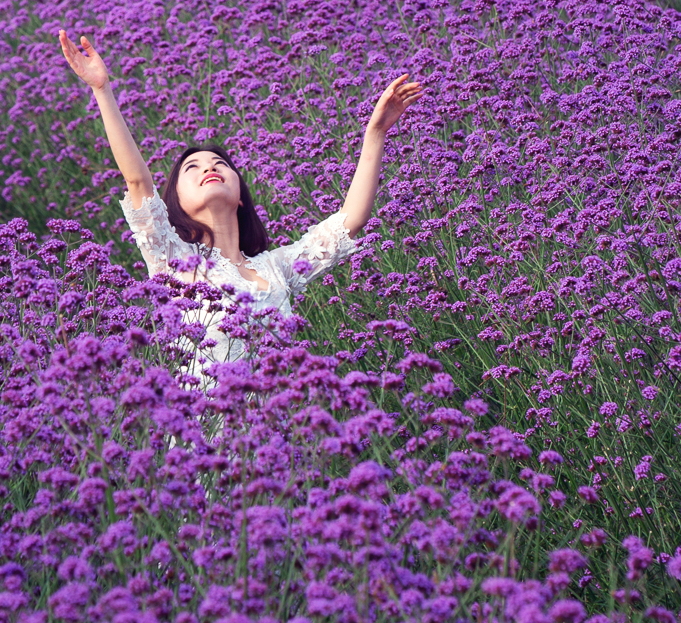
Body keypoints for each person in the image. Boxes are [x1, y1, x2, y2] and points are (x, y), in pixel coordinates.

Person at [58, 30, 423, 386]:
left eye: (220, 163)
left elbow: (350, 220)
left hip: (275, 438)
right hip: (205, 437)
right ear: (174, 202)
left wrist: (375, 133)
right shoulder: (172, 259)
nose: (210, 168)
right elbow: (138, 182)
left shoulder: (277, 267)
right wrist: (102, 90)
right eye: (193, 168)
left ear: (241, 196)